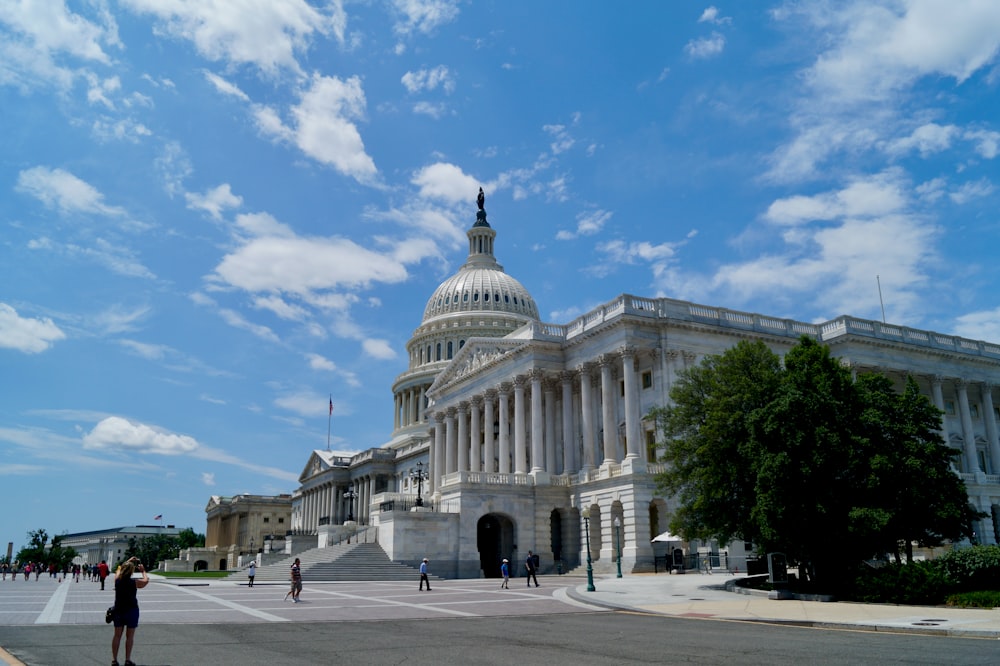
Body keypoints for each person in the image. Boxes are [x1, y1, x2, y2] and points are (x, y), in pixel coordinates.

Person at [111, 557, 149, 666]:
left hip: (118, 610)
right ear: (132, 571)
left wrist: (128, 560)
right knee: (130, 636)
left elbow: (119, 569)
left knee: (117, 635)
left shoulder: (117, 580)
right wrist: (143, 571)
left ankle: (114, 660)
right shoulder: (134, 582)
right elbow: (146, 581)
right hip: (131, 610)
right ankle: (127, 660)